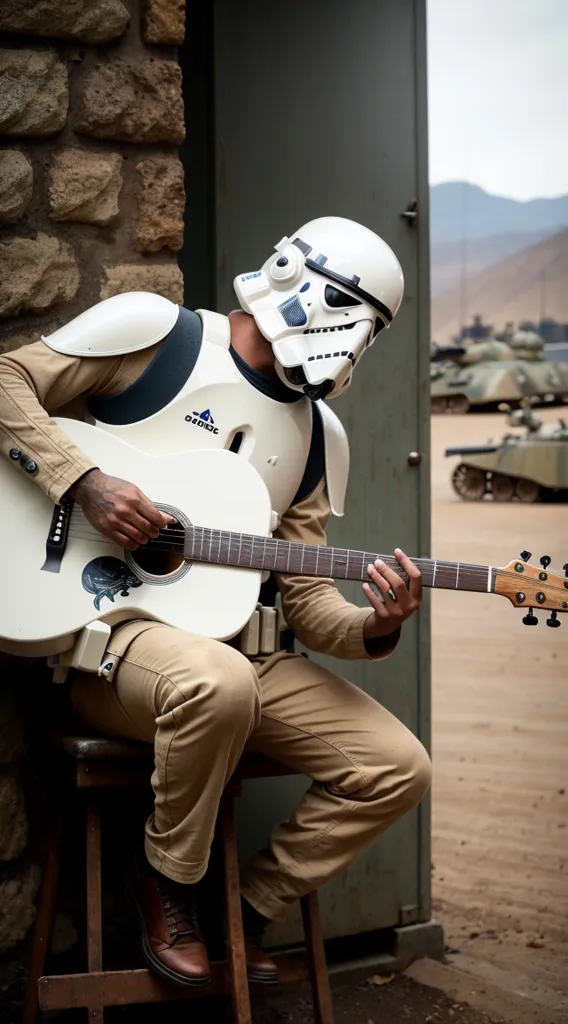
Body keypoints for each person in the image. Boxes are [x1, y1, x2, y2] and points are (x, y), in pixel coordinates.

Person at [0, 216, 431, 988]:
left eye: (372, 335)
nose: (354, 346)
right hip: (116, 642)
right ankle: (168, 882)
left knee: (395, 766)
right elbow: (6, 381)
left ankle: (248, 908)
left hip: (242, 652)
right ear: (305, 282)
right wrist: (84, 483)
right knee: (215, 684)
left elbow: (305, 603)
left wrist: (378, 622)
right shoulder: (158, 335)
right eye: (358, 319)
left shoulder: (318, 436)